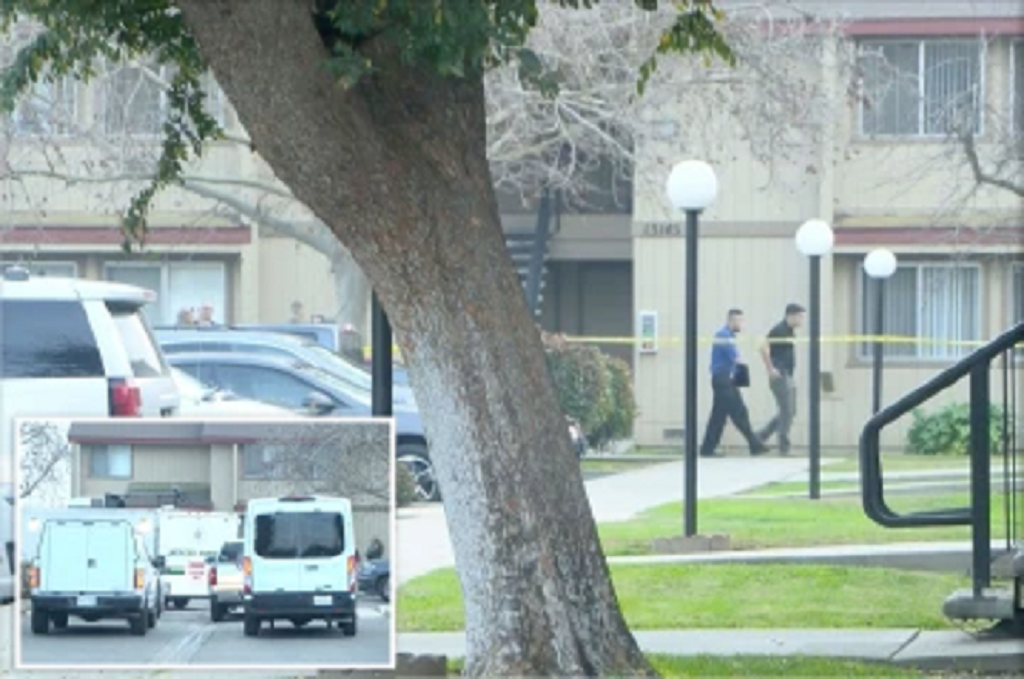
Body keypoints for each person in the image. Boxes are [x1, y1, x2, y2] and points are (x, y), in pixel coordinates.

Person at [700, 308, 769, 458]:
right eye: (739, 320)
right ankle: (755, 444)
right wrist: (744, 377)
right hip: (723, 379)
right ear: (731, 320)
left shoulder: (727, 335)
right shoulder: (724, 335)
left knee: (718, 415)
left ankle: (707, 448)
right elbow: (736, 358)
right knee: (739, 412)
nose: (742, 324)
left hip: (723, 379)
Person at [758, 303, 805, 455]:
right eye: (799, 316)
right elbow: (763, 347)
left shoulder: (790, 331)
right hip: (780, 375)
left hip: (788, 374)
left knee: (790, 411)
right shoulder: (779, 329)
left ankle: (760, 436)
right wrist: (771, 369)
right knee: (787, 411)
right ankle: (783, 447)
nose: (801, 320)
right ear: (790, 316)